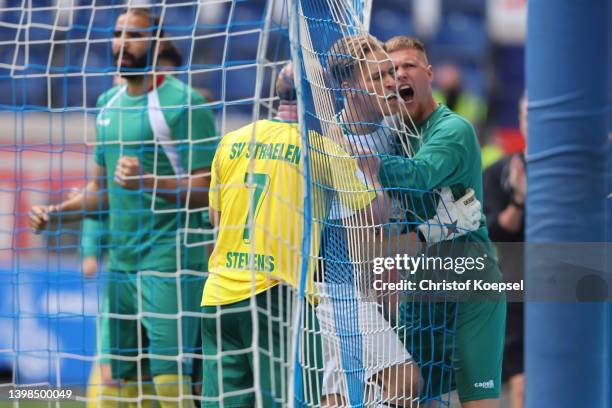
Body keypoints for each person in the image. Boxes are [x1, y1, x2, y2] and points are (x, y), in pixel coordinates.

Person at [29, 7, 217, 408]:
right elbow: (103, 192)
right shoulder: (106, 103)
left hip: (171, 262)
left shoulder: (185, 103)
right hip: (121, 265)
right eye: (117, 34)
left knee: (171, 383)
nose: (121, 43)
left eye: (133, 35)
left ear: (158, 42)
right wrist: (57, 214)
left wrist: (147, 181)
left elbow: (208, 189)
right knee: (118, 383)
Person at [361, 35, 505, 407]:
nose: (398, 75)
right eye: (390, 71)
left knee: (478, 398)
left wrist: (359, 156)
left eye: (408, 66)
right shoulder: (394, 136)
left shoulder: (453, 129)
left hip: (470, 282)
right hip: (421, 286)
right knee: (410, 392)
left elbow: (420, 175)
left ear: (429, 74)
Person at [483, 95, 527, 408]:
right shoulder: (501, 170)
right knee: (522, 382)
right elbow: (494, 229)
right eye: (527, 115)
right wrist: (520, 200)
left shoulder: (578, 174)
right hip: (518, 285)